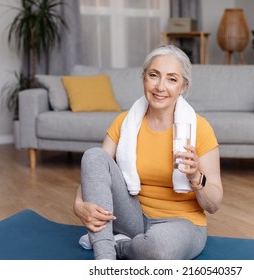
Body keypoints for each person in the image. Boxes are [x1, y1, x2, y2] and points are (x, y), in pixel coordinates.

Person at [73, 45, 223, 260]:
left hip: (183, 223)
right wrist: (78, 204)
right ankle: (105, 258)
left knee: (158, 250)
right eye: (154, 75)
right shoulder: (126, 122)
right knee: (94, 154)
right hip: (133, 217)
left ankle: (122, 246)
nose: (160, 86)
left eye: (172, 79)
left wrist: (195, 176)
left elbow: (214, 204)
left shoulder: (200, 128)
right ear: (144, 78)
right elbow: (96, 167)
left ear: (183, 86)